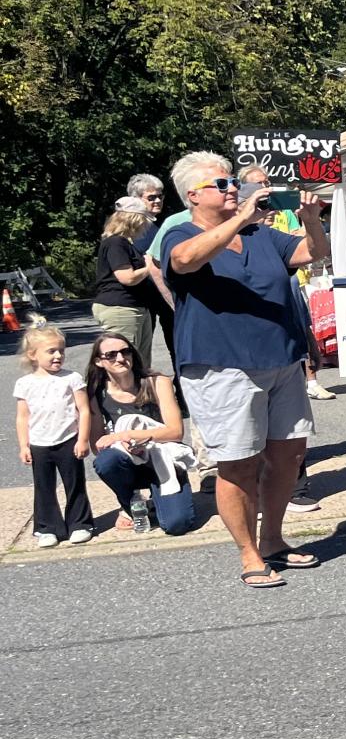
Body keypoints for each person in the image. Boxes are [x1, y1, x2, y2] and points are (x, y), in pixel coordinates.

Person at [157, 151, 329, 589]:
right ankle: (249, 553)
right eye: (222, 184)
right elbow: (184, 261)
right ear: (194, 195)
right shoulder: (181, 232)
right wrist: (239, 219)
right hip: (223, 367)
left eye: (233, 182)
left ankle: (273, 539)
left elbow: (313, 253)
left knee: (289, 453)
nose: (233, 188)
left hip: (282, 360)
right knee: (239, 463)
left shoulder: (261, 235)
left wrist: (311, 219)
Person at [235, 165, 327, 514]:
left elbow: (311, 257)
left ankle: (296, 488)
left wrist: (309, 345)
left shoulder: (275, 237)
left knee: (290, 439)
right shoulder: (223, 239)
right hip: (245, 358)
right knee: (251, 437)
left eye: (270, 190)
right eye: (260, 194)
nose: (269, 200)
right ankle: (257, 493)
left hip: (286, 350)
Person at [83, 332, 197, 536]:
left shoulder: (156, 382)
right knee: (106, 462)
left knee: (177, 524)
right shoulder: (95, 394)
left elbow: (175, 431)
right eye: (111, 355)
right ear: (99, 362)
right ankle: (131, 503)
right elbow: (98, 446)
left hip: (162, 458)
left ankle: (160, 500)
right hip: (127, 461)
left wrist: (126, 436)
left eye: (125, 351)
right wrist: (123, 445)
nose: (120, 358)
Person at [14, 325, 92, 546]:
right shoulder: (25, 384)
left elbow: (84, 410)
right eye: (51, 351)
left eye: (61, 350)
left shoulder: (72, 378)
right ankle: (47, 528)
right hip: (39, 442)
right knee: (44, 486)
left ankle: (80, 523)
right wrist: (24, 445)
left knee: (74, 483)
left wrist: (83, 439)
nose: (58, 356)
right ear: (33, 355)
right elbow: (22, 417)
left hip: (68, 440)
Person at [93, 202, 158, 359]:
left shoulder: (125, 243)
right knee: (123, 362)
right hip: (121, 308)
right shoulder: (116, 243)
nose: (145, 226)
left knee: (140, 363)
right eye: (144, 221)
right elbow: (127, 278)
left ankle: (139, 384)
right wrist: (150, 267)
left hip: (135, 307)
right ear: (134, 220)